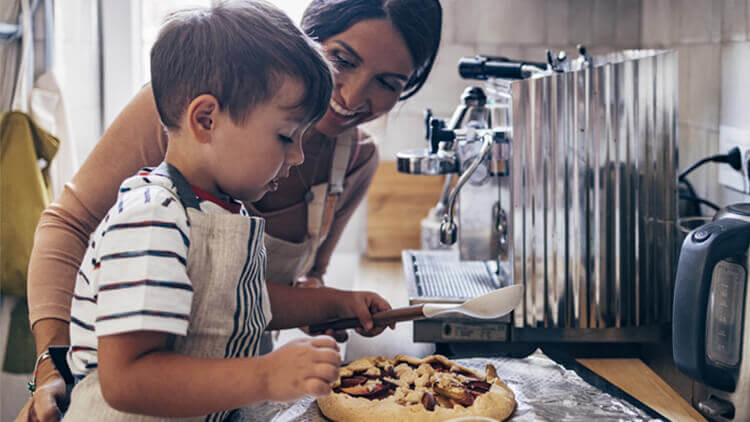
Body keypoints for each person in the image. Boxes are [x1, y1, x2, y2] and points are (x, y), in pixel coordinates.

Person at [20, 0, 442, 420]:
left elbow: (235, 298)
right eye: (342, 60)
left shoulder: (232, 203)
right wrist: (50, 364)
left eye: (387, 82)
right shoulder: (154, 211)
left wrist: (334, 304)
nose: (351, 94)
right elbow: (127, 379)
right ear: (205, 119)